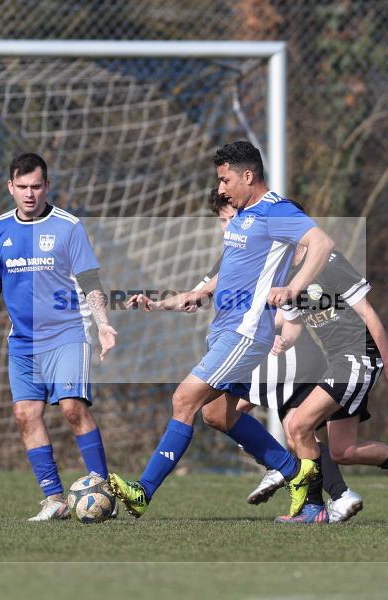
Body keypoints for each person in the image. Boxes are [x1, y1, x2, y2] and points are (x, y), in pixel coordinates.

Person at [107, 140, 335, 520]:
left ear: (248, 176)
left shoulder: (275, 211)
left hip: (246, 333)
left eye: (225, 179)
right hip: (226, 331)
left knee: (183, 400)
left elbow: (322, 243)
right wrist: (163, 301)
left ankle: (143, 491)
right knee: (217, 415)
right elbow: (214, 283)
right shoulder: (242, 218)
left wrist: (294, 288)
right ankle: (296, 475)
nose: (221, 189)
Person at [133, 190, 362, 523]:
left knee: (291, 425)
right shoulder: (234, 252)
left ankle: (323, 488)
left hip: (269, 348)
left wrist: (286, 321)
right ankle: (300, 485)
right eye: (224, 222)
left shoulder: (272, 245)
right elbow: (197, 295)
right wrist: (157, 304)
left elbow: (297, 304)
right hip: (251, 344)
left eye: (230, 220)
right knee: (219, 414)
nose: (227, 228)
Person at [0, 153, 118, 522]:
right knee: (24, 414)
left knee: (72, 409)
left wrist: (103, 323)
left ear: (47, 186)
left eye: (36, 187)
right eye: (22, 187)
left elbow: (90, 280)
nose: (29, 194)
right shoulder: (0, 229)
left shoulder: (68, 226)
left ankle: (101, 489)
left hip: (67, 334)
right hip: (23, 341)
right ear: (10, 188)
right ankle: (54, 499)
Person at [271, 244, 388, 523]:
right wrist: (284, 340)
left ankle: (313, 508)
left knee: (297, 424)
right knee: (343, 450)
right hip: (339, 362)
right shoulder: (287, 275)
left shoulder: (328, 263)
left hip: (357, 357)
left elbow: (369, 315)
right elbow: (294, 322)